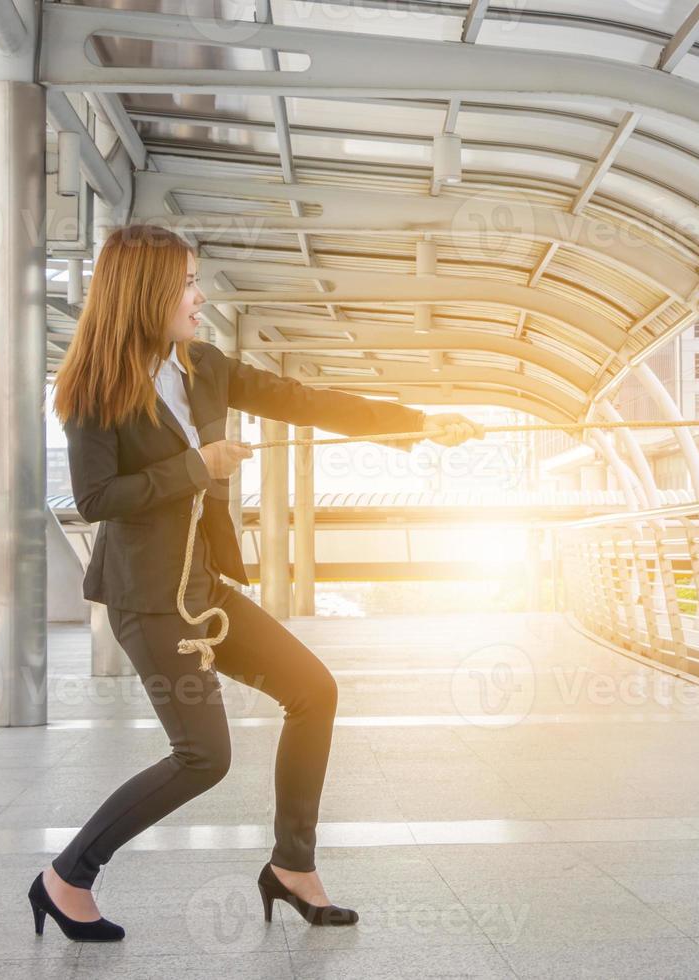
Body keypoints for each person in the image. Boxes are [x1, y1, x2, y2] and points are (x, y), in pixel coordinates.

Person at [31, 224, 481, 941]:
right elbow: (94, 500)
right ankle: (66, 876)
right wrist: (195, 467)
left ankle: (292, 866)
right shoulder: (95, 391)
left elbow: (303, 399)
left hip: (204, 588)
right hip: (148, 599)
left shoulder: (202, 365)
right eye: (186, 283)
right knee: (205, 757)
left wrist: (419, 423)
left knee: (313, 690)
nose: (198, 296)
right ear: (145, 292)